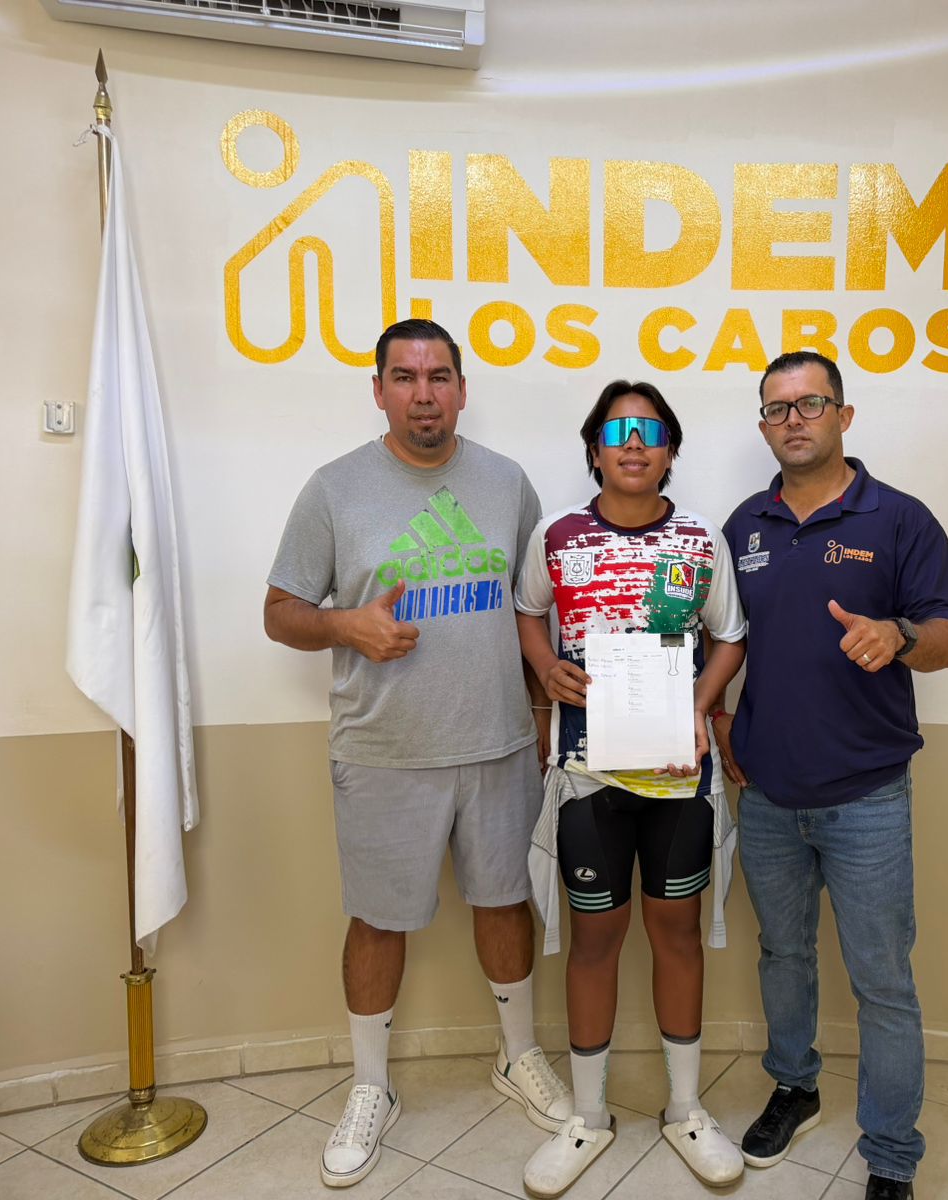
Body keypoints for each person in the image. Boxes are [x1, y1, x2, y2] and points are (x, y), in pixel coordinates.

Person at [263, 318, 571, 1188]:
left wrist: (541, 709)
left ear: (462, 390)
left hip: (499, 744)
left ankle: (517, 1056)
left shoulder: (507, 484)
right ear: (379, 390)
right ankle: (371, 1087)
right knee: (377, 920)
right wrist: (346, 626)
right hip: (384, 751)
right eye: (404, 377)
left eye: (439, 377)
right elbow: (280, 611)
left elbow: (532, 609)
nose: (424, 394)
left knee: (505, 903)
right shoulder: (334, 489)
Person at [713, 351, 948, 1200]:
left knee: (883, 980)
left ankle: (891, 1152)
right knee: (783, 954)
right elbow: (725, 638)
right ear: (763, 426)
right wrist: (719, 717)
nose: (794, 420)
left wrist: (897, 634)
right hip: (767, 794)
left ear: (844, 416)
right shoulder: (744, 527)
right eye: (777, 408)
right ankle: (796, 1086)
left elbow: (947, 636)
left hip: (867, 797)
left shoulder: (899, 519)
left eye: (810, 403)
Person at [514, 381, 748, 1196]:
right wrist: (545, 666)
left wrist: (699, 703)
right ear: (595, 450)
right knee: (594, 941)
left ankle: (685, 1109)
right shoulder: (556, 536)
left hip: (678, 780)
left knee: (677, 934)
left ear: (671, 449)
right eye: (618, 431)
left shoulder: (700, 539)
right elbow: (527, 614)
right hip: (587, 778)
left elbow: (730, 636)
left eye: (650, 431)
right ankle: (588, 1117)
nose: (635, 443)